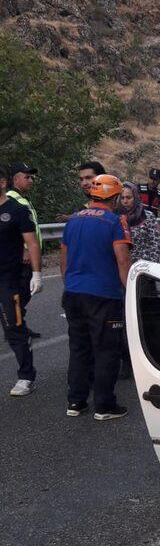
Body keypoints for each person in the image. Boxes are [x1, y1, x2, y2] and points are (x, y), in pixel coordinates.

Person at [60, 174, 132, 420]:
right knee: (106, 350)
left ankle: (76, 401)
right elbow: (123, 260)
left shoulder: (73, 220)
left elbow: (64, 261)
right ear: (113, 197)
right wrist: (131, 292)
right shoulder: (115, 221)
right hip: (103, 296)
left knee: (79, 348)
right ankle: (104, 405)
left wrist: (69, 285)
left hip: (73, 293)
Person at [0, 165, 42, 396]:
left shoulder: (16, 209)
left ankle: (26, 376)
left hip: (9, 279)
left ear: (3, 183)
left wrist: (37, 274)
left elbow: (32, 243)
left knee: (14, 328)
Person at [6, 162, 43, 339]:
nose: (31, 180)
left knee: (23, 295)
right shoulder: (10, 200)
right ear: (15, 179)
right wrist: (24, 250)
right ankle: (14, 328)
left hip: (29, 256)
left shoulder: (22, 198)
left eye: (31, 177)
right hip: (21, 258)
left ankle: (18, 326)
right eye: (27, 177)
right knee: (19, 295)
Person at [118, 182, 160, 263]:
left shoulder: (148, 216)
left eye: (128, 197)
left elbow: (155, 245)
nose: (125, 201)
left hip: (143, 268)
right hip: (123, 267)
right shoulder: (116, 218)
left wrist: (148, 269)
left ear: (136, 197)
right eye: (122, 198)